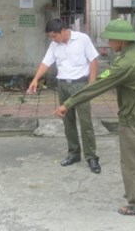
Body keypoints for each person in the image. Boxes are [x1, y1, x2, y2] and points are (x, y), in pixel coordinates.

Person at [54, 19, 135, 216]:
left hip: (132, 120)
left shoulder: (125, 64)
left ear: (120, 41)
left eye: (110, 39)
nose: (108, 43)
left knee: (132, 163)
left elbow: (97, 87)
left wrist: (68, 103)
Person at [27, 18, 101, 174]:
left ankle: (91, 157)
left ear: (63, 31)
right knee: (68, 121)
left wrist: (91, 84)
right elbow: (46, 63)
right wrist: (35, 80)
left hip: (80, 85)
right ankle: (74, 153)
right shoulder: (55, 45)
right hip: (63, 86)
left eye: (54, 36)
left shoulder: (82, 39)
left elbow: (93, 61)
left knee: (85, 122)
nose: (53, 40)